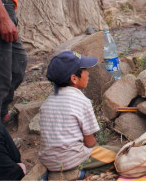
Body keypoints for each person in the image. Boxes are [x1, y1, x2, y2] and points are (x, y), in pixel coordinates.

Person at [38, 51, 106, 180]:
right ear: (74, 78)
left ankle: (52, 175)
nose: (88, 73)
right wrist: (98, 150)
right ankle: (78, 174)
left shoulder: (46, 103)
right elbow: (90, 141)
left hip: (49, 162)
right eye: (85, 70)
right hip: (72, 161)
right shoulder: (81, 101)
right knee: (114, 153)